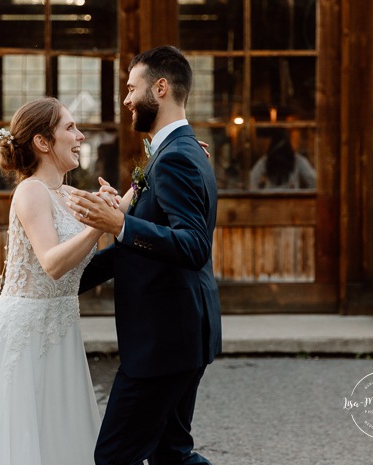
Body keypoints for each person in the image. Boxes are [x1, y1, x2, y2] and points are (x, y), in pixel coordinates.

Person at [69, 45, 222, 465]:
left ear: (161, 88)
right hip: (180, 335)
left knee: (115, 456)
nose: (125, 99)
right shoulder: (176, 154)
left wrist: (120, 224)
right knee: (171, 454)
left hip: (165, 342)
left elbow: (192, 246)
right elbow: (136, 252)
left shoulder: (177, 159)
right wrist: (66, 280)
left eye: (132, 88)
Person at [0, 97, 108, 465]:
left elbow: (119, 210)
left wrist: (157, 169)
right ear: (43, 142)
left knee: (54, 435)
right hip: (24, 333)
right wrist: (99, 227)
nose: (79, 136)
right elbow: (52, 263)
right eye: (70, 128)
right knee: (17, 443)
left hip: (59, 329)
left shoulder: (66, 193)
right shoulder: (31, 191)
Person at [248, 128, 316, 190]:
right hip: (280, 200)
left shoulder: (297, 160)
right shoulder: (266, 160)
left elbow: (314, 181)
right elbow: (251, 180)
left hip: (281, 200)